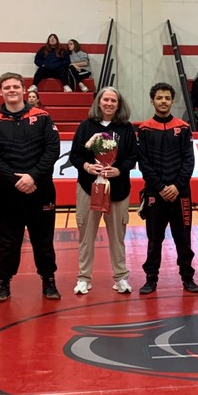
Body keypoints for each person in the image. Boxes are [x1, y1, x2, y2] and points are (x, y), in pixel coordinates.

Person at [0, 72, 61, 302]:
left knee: (43, 239)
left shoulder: (43, 117)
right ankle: (3, 282)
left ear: (24, 89)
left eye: (16, 86)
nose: (11, 90)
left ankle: (49, 280)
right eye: (6, 87)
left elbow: (52, 151)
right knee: (8, 240)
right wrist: (16, 180)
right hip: (8, 192)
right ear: (0, 91)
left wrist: (33, 177)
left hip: (41, 190)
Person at [69, 87, 137, 295]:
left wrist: (119, 169)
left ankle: (121, 278)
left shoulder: (126, 128)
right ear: (98, 102)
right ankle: (84, 278)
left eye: (113, 101)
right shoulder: (85, 126)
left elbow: (133, 156)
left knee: (117, 236)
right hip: (89, 189)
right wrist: (88, 167)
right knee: (86, 235)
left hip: (118, 190)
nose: (109, 104)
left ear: (119, 104)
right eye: (105, 100)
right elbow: (75, 155)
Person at [136, 82, 198, 294]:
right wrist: (161, 187)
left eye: (167, 98)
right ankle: (151, 279)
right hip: (155, 194)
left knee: (184, 238)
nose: (163, 101)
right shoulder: (144, 129)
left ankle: (187, 278)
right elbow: (143, 163)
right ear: (152, 100)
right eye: (159, 98)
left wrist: (176, 186)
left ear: (173, 101)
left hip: (181, 195)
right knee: (154, 240)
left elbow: (189, 161)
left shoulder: (183, 127)